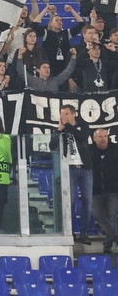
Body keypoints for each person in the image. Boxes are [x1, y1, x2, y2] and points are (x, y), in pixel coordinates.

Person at [51, 104, 94, 245]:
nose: (63, 117)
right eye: (62, 114)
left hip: (85, 168)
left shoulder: (82, 126)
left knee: (87, 202)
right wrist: (59, 130)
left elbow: (82, 136)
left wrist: (68, 127)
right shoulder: (60, 130)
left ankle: (84, 233)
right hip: (69, 169)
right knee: (70, 202)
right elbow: (52, 146)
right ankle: (69, 232)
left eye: (66, 114)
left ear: (73, 114)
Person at [90, 128, 118, 253]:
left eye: (105, 136)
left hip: (113, 189)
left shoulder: (115, 149)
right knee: (99, 217)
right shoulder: (89, 150)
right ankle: (115, 236)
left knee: (111, 217)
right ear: (94, 138)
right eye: (100, 137)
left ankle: (107, 246)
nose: (103, 139)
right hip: (95, 190)